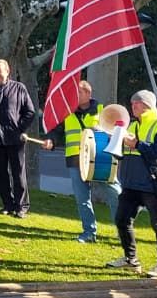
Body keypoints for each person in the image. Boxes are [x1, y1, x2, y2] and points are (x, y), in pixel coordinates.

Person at [105, 92, 157, 277]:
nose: (132, 106)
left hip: (152, 183)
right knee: (122, 220)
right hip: (131, 184)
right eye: (132, 103)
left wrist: (137, 144)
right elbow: (120, 154)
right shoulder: (132, 125)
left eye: (136, 103)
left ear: (147, 105)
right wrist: (115, 142)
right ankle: (130, 259)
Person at [42, 79, 116, 243]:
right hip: (75, 160)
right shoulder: (67, 112)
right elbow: (56, 131)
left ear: (88, 93)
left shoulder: (102, 110)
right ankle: (89, 233)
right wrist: (50, 140)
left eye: (78, 93)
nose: (74, 96)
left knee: (114, 194)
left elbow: (115, 130)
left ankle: (123, 229)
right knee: (83, 199)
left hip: (100, 160)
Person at [0, 59, 35, 217]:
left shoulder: (19, 88)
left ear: (7, 71)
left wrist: (19, 128)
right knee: (0, 174)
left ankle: (21, 206)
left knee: (18, 174)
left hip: (15, 140)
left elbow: (30, 112)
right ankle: (7, 204)